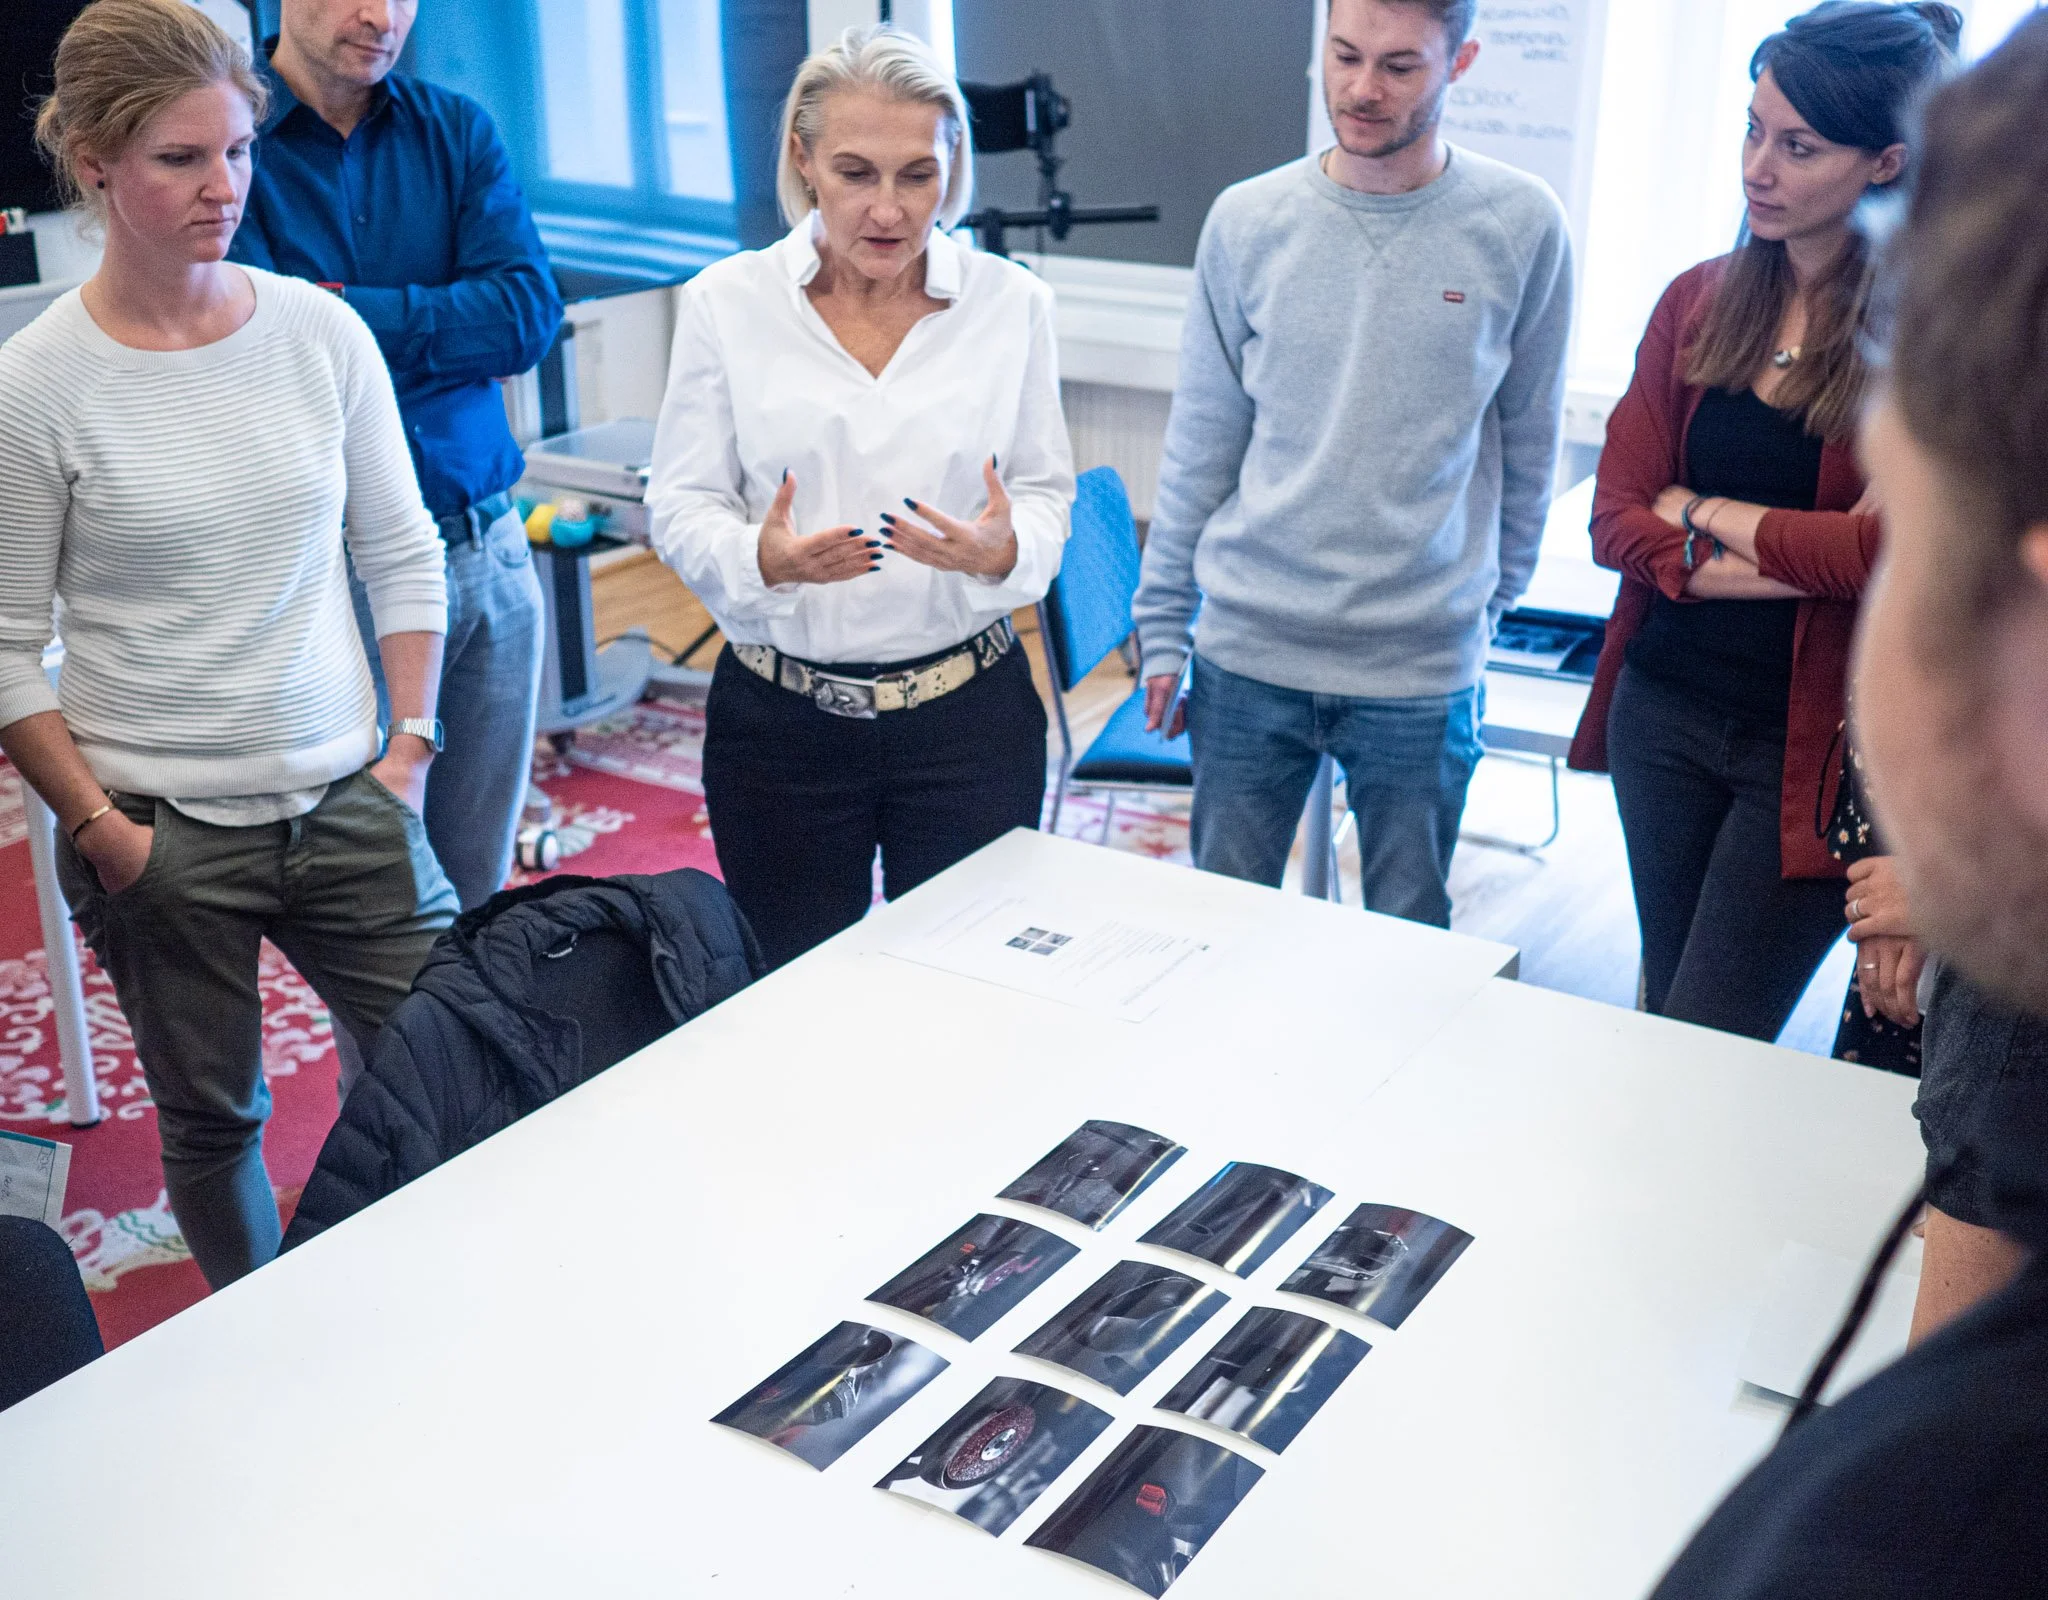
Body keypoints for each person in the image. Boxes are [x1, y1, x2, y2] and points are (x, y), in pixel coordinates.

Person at [1650, 13, 2048, 1594]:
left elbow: (1826, 559)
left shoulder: (1907, 1522)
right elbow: (1628, 517)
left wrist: (1718, 528)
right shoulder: (1701, 301)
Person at [0, 0, 456, 1289]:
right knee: (214, 1119)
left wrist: (410, 749)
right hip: (157, 826)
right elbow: (3, 646)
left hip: (350, 796)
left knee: (462, 1048)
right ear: (94, 160)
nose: (226, 188)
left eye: (239, 151)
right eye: (180, 159)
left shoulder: (318, 334)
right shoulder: (35, 386)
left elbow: (404, 555)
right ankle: (253, 1339)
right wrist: (100, 827)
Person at [1132, 0, 1573, 928]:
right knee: (1223, 935)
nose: (1363, 89)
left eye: (1400, 67)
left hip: (1421, 664)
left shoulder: (1523, 224)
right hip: (1250, 649)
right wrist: (1165, 628)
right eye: (1345, 56)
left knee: (1410, 945)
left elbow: (1531, 445)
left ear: (1462, 62)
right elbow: (1201, 444)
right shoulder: (1248, 221)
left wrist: (1483, 609)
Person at [1569, 2, 1959, 1043]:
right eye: (1750, 130)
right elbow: (1611, 519)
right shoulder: (1694, 303)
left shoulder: (1925, 339)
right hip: (1663, 711)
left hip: (1810, 750)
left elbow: (1882, 553)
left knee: (1708, 1029)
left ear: (1883, 162)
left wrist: (1693, 513)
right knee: (1668, 1015)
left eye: (1796, 146)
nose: (1757, 166)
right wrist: (1792, 551)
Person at [646, 26, 1073, 970]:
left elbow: (1045, 494)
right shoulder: (727, 302)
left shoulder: (1013, 306)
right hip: (784, 725)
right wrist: (761, 558)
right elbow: (680, 504)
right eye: (855, 173)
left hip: (969, 719)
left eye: (917, 175)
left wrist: (1004, 550)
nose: (888, 209)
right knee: (792, 997)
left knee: (974, 988)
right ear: (803, 161)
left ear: (951, 169)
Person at [229, 0, 562, 912]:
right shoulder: (227, 140)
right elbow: (264, 352)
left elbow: (526, 315)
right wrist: (445, 312)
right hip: (337, 577)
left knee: (476, 888)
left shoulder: (456, 129)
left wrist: (340, 309)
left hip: (490, 549)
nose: (382, 16)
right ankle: (393, 1066)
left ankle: (466, 1059)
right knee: (376, 905)